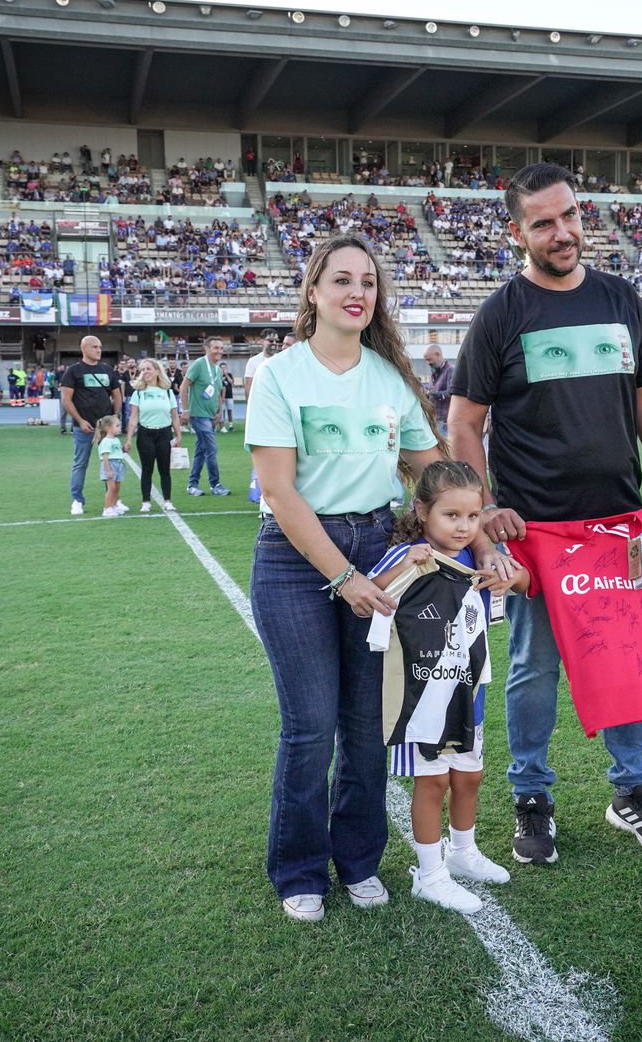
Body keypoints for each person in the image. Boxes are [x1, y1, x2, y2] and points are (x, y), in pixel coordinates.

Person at [447, 162, 642, 864]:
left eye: (570, 216)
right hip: (538, 533)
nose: (563, 233)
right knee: (533, 667)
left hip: (620, 526)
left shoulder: (620, 298)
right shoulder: (502, 313)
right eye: (544, 223)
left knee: (628, 658)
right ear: (517, 232)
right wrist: (487, 506)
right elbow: (465, 422)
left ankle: (633, 791)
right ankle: (531, 796)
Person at [244, 234, 470, 923]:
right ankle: (300, 870)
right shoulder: (280, 376)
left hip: (377, 549)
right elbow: (281, 493)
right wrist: (341, 576)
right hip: (294, 558)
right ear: (312, 292)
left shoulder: (388, 378)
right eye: (341, 279)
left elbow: (432, 475)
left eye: (367, 283)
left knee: (370, 727)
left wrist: (479, 531)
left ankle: (360, 861)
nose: (356, 292)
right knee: (310, 726)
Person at [368, 460, 528, 915]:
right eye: (451, 516)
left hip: (467, 689)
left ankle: (462, 852)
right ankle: (429, 873)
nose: (464, 527)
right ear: (422, 512)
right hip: (422, 697)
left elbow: (519, 583)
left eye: (473, 517)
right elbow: (371, 597)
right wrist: (401, 569)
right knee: (433, 781)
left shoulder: (479, 558)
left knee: (469, 775)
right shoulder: (410, 554)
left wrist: (505, 575)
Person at [61, 335, 123, 516]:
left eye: (100, 346)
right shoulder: (73, 371)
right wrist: (80, 421)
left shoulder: (107, 369)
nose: (99, 350)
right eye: (94, 347)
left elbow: (117, 395)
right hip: (84, 428)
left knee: (111, 462)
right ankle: (77, 500)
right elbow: (66, 399)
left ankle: (112, 501)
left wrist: (114, 418)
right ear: (84, 349)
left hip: (106, 429)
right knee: (81, 463)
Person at [123, 357, 183, 512]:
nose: (145, 372)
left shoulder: (167, 393)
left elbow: (175, 416)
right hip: (145, 434)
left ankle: (168, 500)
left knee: (164, 470)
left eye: (148, 368)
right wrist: (129, 438)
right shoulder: (139, 393)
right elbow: (133, 417)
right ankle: (146, 501)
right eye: (142, 370)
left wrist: (178, 435)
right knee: (147, 468)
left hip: (164, 433)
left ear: (157, 371)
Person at [179, 337, 230, 497]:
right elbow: (184, 386)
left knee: (201, 450)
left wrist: (219, 411)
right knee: (211, 448)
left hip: (210, 416)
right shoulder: (199, 365)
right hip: (198, 415)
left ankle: (192, 484)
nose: (219, 351)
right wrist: (185, 410)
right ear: (206, 348)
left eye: (221, 348)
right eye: (216, 348)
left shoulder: (218, 369)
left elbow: (217, 392)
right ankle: (215, 484)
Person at [95, 414, 127, 517]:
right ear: (108, 428)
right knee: (111, 488)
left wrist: (123, 450)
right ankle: (107, 508)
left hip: (118, 464)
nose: (119, 428)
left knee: (116, 488)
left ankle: (114, 506)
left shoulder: (116, 440)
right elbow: (105, 456)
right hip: (110, 465)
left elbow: (116, 452)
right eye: (117, 426)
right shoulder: (106, 441)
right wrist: (108, 470)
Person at [423, 344, 453, 434]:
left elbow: (451, 393)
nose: (428, 363)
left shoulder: (450, 370)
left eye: (429, 359)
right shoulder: (434, 371)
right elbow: (432, 389)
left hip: (444, 423)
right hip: (435, 421)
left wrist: (430, 393)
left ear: (437, 354)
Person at [242, 332, 280, 405]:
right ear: (262, 341)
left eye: (276, 341)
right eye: (271, 340)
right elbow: (248, 386)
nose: (274, 343)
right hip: (260, 403)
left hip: (277, 403)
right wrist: (249, 406)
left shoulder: (281, 360)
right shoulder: (253, 361)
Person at [219, 362, 236, 433]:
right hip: (221, 396)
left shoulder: (229, 375)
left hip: (229, 395)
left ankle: (231, 425)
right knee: (222, 411)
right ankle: (222, 426)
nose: (223, 369)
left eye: (224, 367)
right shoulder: (218, 375)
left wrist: (226, 375)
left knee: (230, 410)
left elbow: (231, 382)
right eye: (222, 368)